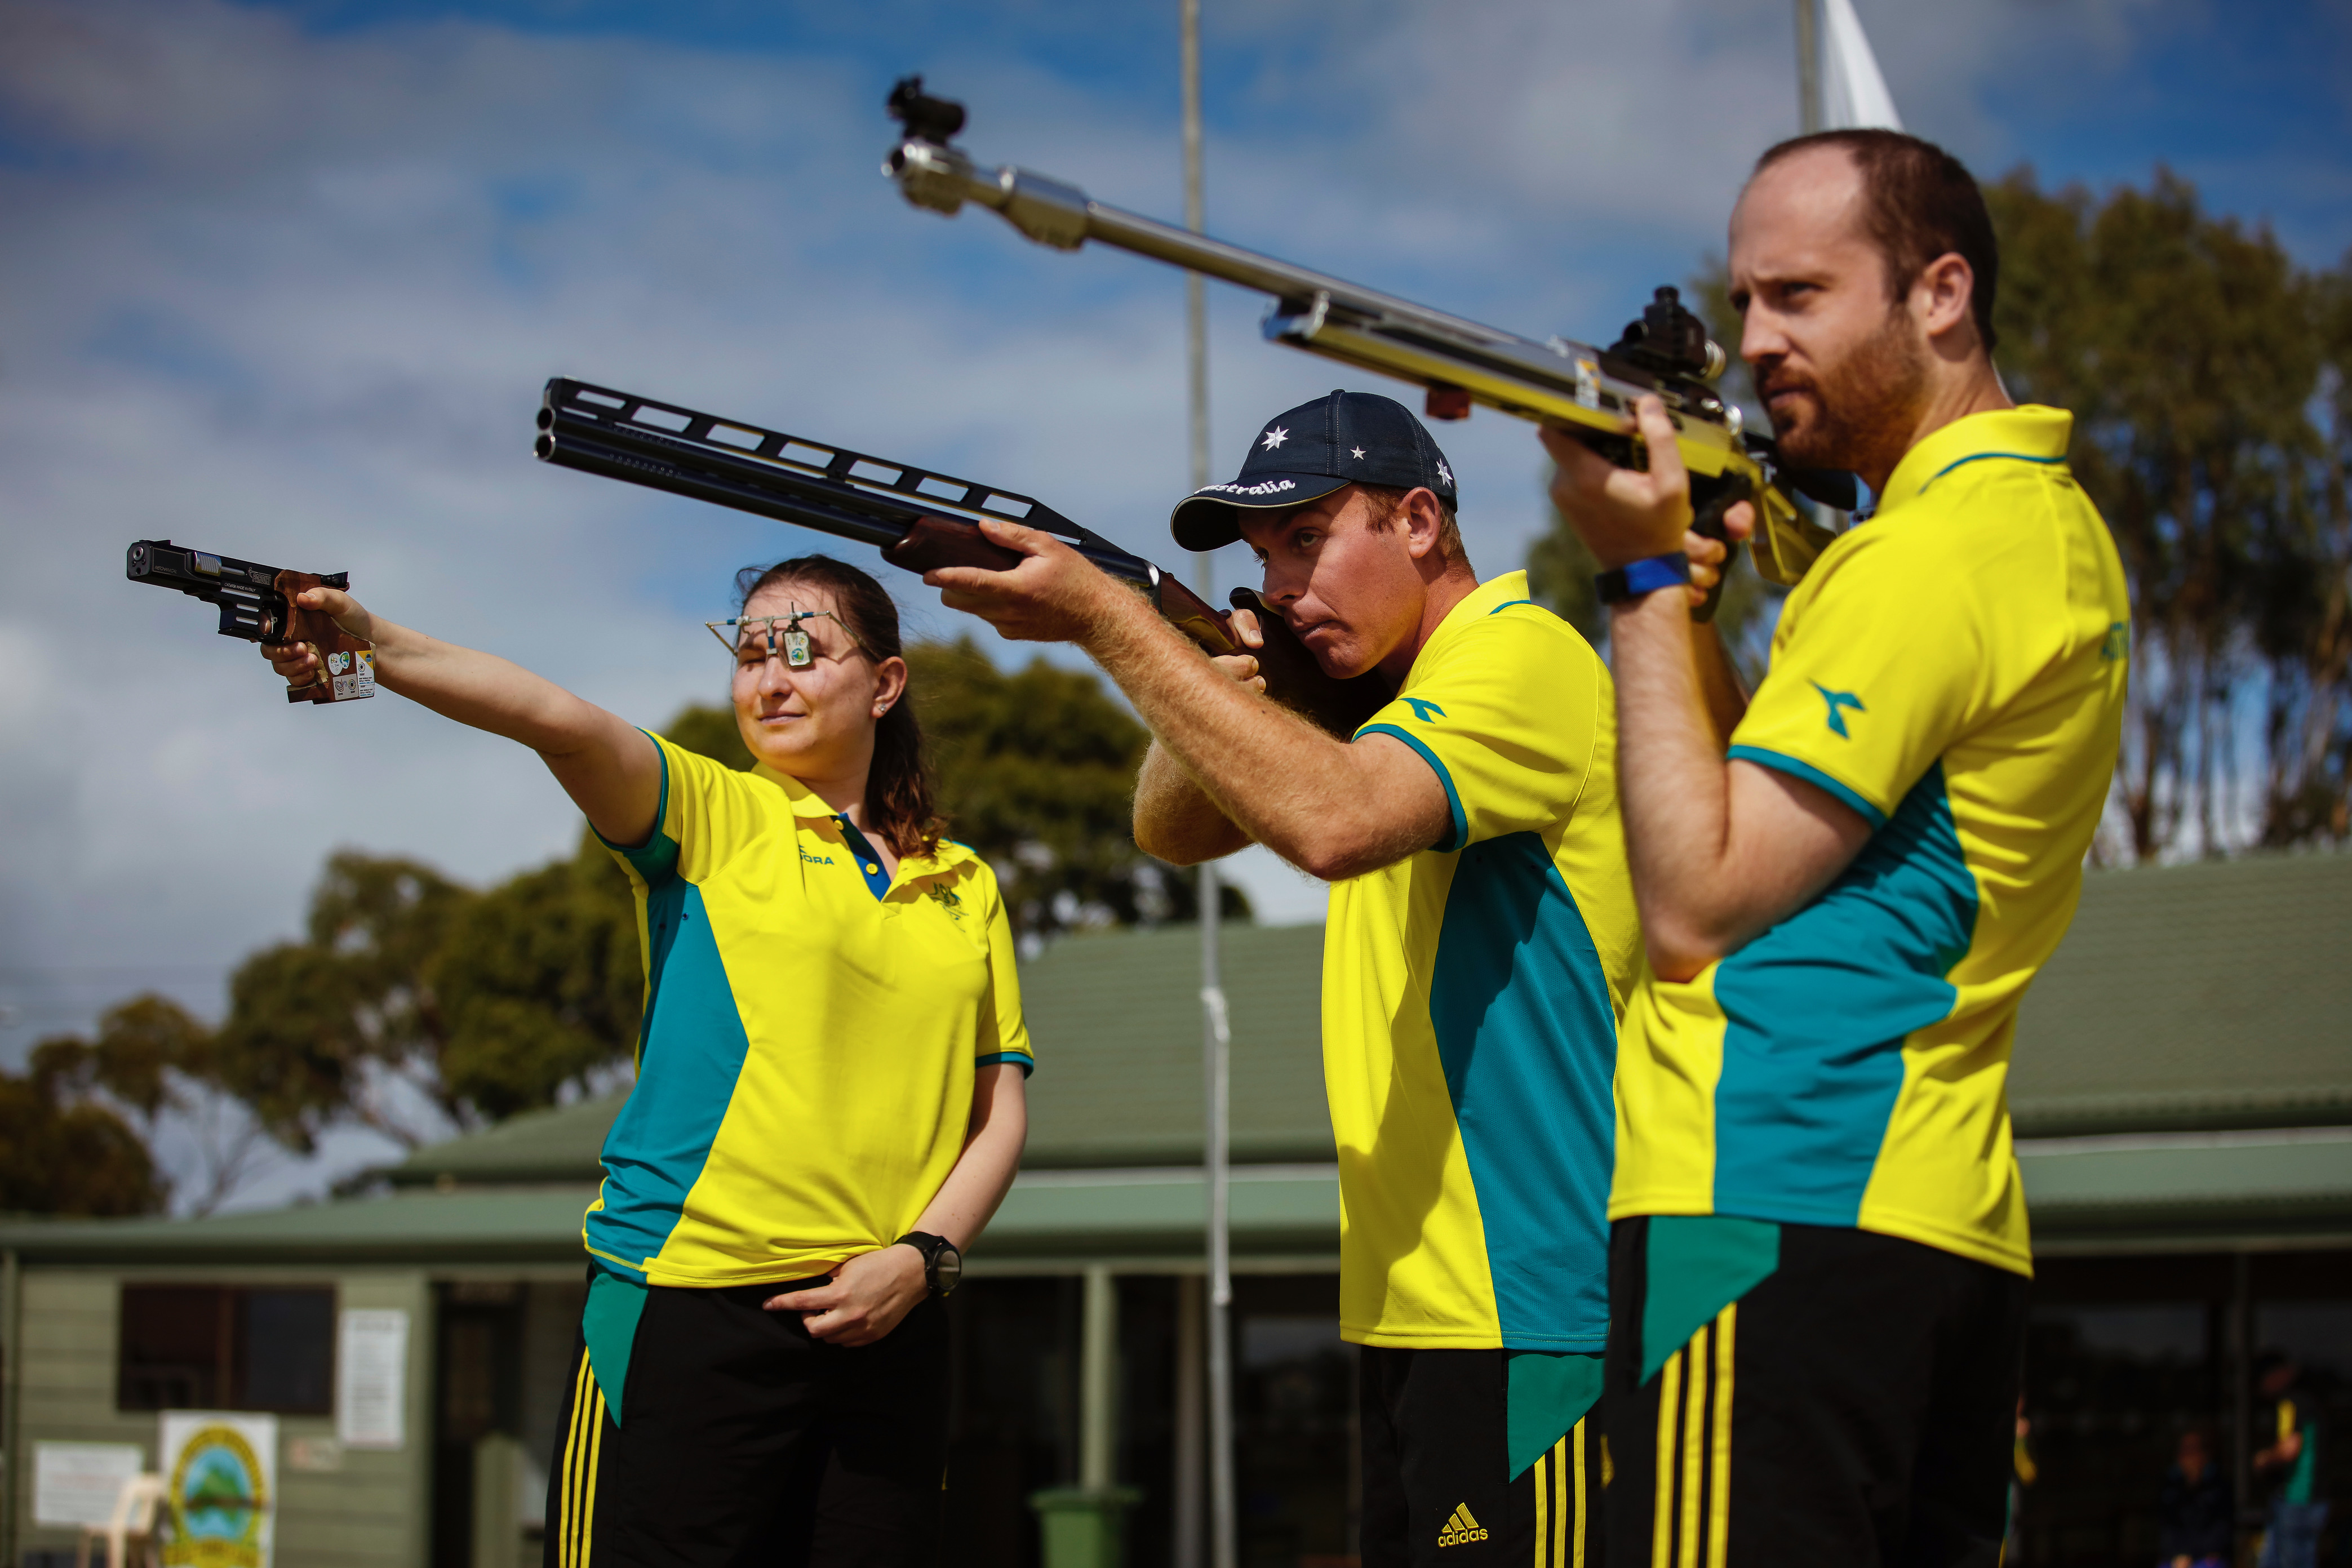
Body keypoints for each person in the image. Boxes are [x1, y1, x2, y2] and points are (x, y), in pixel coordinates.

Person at [920, 389, 1727, 1566]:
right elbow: (1171, 825)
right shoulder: (1385, 709)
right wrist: (1228, 676)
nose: (1284, 582)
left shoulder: (1519, 652)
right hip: (1422, 1311)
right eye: (1265, 555)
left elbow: (1333, 822)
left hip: (1534, 1308)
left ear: (1415, 520)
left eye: (1308, 537)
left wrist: (1109, 619)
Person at [1546, 128, 2129, 1563]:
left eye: (1799, 295)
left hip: (1762, 1192)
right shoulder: (2030, 531)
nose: (1753, 343)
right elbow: (1771, 822)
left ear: (1939, 293)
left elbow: (1694, 897)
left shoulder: (1925, 553)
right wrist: (1689, 608)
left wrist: (1630, 582)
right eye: (1744, 303)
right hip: (1923, 1211)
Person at [259, 553, 1031, 1567]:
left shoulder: (962, 883)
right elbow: (556, 717)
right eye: (749, 651)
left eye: (802, 648)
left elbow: (997, 1114)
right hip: (691, 1312)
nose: (770, 677)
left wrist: (922, 1260)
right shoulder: (711, 812)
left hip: (890, 1319)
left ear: (883, 683)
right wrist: (374, 641)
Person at [2255, 1353, 2329, 1568]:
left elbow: (2290, 1448)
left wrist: (2263, 1459)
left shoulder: (2293, 1399)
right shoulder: (2312, 1399)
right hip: (2306, 1499)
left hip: (2299, 1498)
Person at [2159, 1425, 2233, 1568]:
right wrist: (2179, 1556)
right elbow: (2167, 1531)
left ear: (2205, 1454)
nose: (2188, 1457)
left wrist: (2192, 1556)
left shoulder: (2220, 1487)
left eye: (2193, 1450)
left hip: (2207, 1559)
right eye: (2184, 1450)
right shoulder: (2170, 1490)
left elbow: (2221, 1532)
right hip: (2176, 1559)